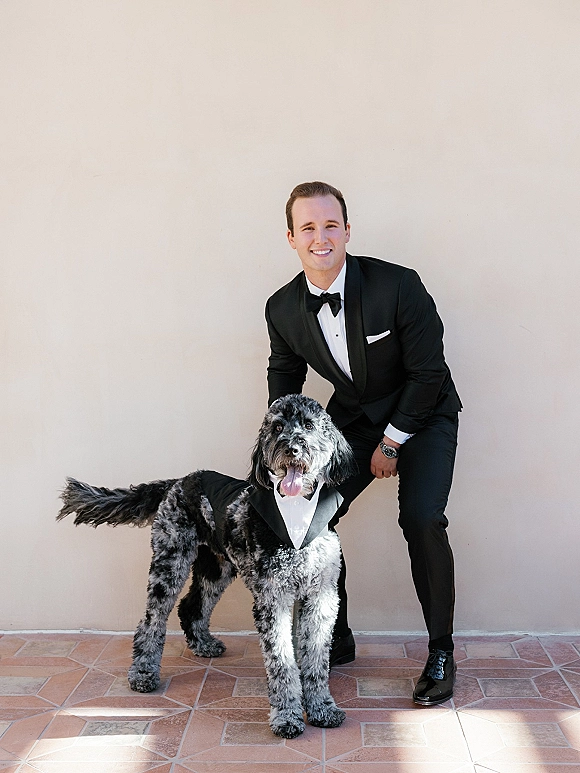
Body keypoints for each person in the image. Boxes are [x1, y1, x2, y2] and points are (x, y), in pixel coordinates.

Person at [264, 181, 462, 705]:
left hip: (426, 413)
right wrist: (279, 454)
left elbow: (428, 372)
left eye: (331, 225)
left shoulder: (398, 286)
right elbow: (284, 375)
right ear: (291, 238)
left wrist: (393, 443)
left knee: (421, 518)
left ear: (347, 231)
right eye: (308, 227)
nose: (320, 237)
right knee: (310, 511)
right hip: (354, 418)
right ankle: (337, 635)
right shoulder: (282, 308)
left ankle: (441, 651)